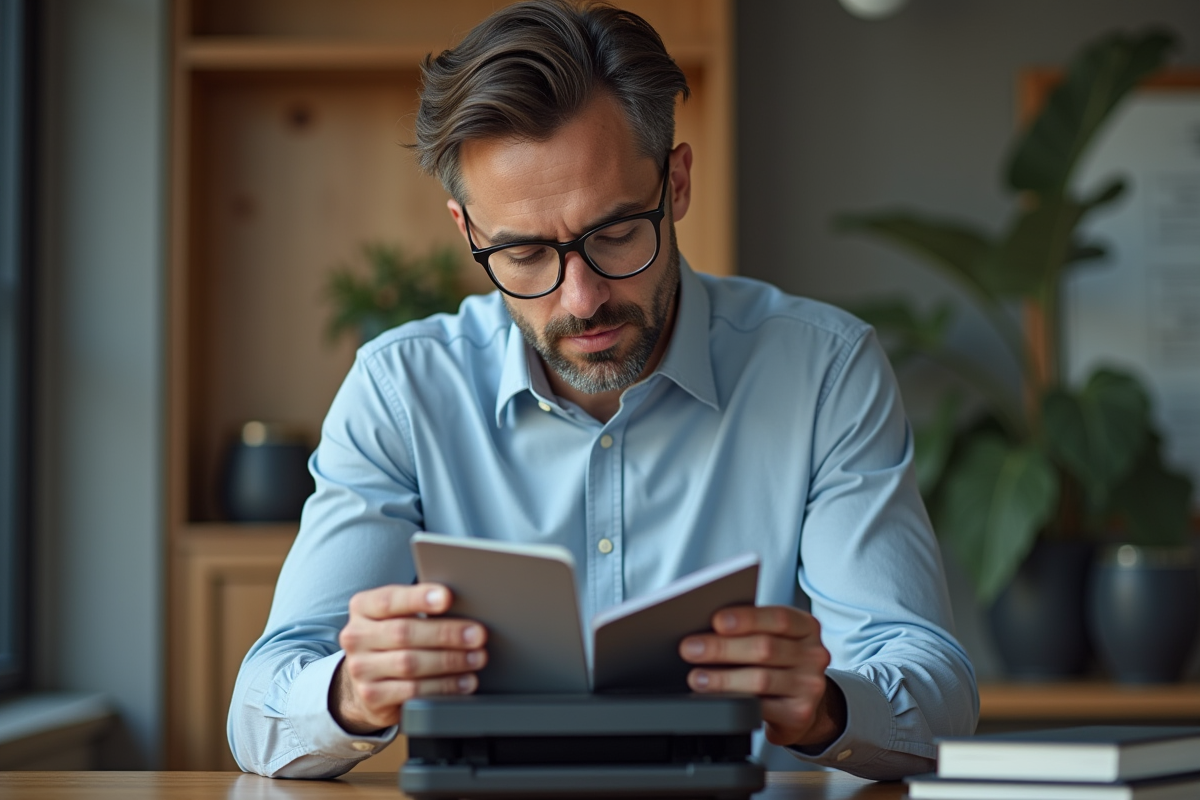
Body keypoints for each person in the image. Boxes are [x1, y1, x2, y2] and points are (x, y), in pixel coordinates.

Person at [228, 0, 977, 781]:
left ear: (675, 183)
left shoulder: (824, 372)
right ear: (468, 232)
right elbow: (257, 711)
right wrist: (353, 692)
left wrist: (825, 707)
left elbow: (936, 691)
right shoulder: (400, 390)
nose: (581, 299)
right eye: (524, 254)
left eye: (616, 234)